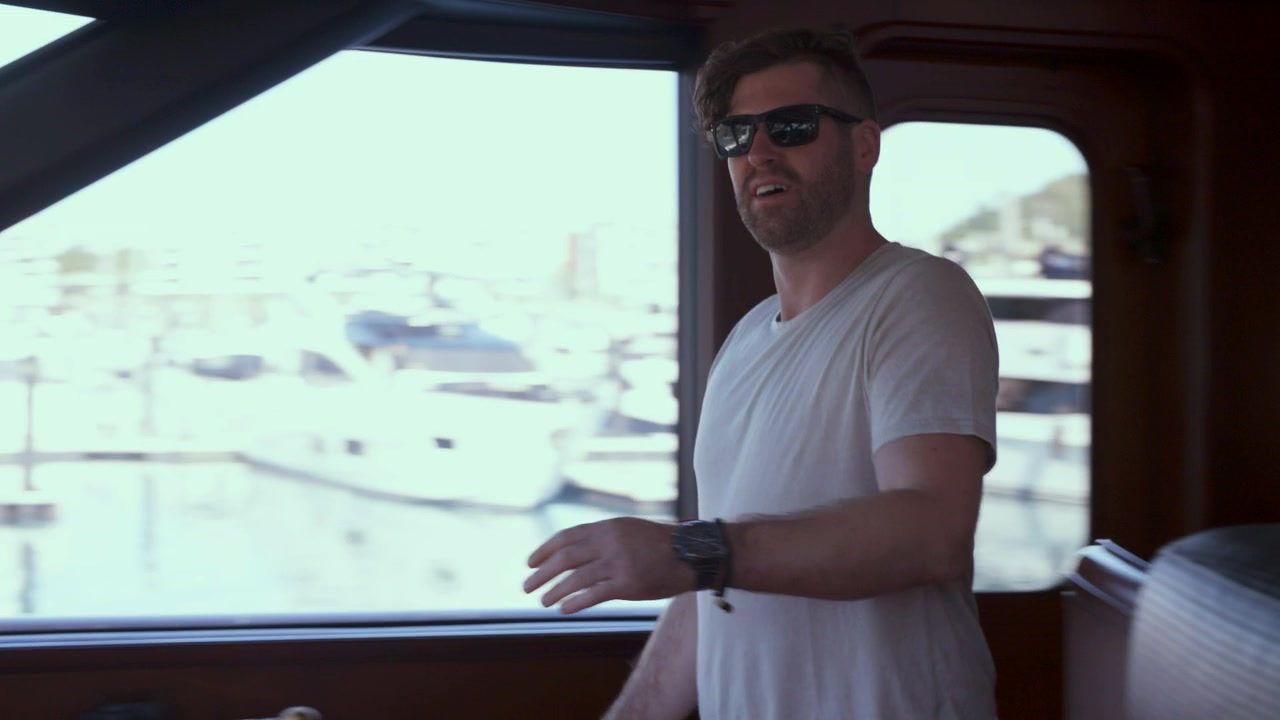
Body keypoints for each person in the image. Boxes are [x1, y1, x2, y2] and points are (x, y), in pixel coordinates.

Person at [524, 26, 999, 720]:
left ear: (864, 146)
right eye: (736, 135)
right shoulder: (744, 343)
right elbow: (710, 593)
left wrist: (691, 551)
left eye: (792, 125)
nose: (760, 152)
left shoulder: (919, 294)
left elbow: (932, 531)